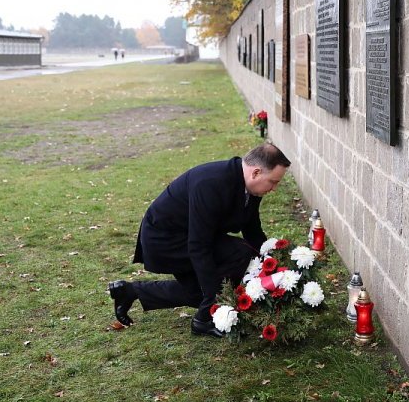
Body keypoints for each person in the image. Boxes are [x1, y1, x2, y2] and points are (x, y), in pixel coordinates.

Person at [108, 143, 290, 337]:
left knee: (198, 293)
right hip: (166, 239)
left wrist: (274, 263)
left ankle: (130, 291)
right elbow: (198, 246)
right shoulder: (211, 183)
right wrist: (214, 296)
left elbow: (252, 229)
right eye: (273, 181)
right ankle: (204, 320)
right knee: (238, 253)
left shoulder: (250, 186)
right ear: (255, 172)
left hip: (193, 235)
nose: (275, 188)